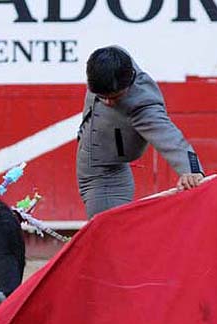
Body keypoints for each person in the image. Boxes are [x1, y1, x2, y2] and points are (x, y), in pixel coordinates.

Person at [76, 45, 205, 219]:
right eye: (100, 96)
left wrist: (192, 169)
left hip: (106, 177)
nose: (107, 102)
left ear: (129, 83)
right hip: (100, 159)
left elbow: (170, 137)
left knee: (110, 237)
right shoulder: (109, 61)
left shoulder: (142, 105)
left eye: (114, 97)